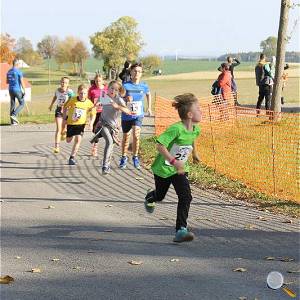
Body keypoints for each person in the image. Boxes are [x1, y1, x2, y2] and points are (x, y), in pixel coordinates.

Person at [144, 93, 201, 243]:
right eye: (198, 109)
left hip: (180, 170)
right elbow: (160, 145)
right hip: (163, 169)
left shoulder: (195, 128)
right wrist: (173, 160)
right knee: (160, 196)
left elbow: (192, 139)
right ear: (189, 114)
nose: (201, 111)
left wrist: (195, 153)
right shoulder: (175, 129)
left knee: (186, 196)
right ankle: (151, 196)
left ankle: (181, 230)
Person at [96, 80, 134, 174]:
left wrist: (118, 107)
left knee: (111, 145)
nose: (113, 91)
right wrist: (96, 105)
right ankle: (105, 166)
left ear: (118, 91)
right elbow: (97, 103)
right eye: (112, 88)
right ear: (108, 88)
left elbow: (128, 111)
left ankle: (107, 165)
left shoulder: (119, 99)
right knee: (109, 141)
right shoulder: (104, 96)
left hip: (114, 127)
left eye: (116, 90)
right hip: (104, 124)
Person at [119, 62, 152, 170]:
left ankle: (135, 157)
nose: (137, 73)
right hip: (127, 114)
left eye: (139, 71)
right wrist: (125, 99)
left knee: (136, 135)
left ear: (141, 73)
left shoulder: (144, 86)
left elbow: (148, 94)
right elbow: (119, 97)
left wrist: (149, 107)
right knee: (126, 136)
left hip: (138, 114)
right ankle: (124, 157)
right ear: (131, 72)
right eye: (135, 71)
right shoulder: (125, 85)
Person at [63, 84, 96, 165]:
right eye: (81, 93)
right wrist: (64, 117)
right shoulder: (73, 99)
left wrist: (91, 123)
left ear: (87, 94)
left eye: (84, 93)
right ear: (78, 92)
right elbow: (65, 107)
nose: (82, 95)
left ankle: (72, 157)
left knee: (78, 139)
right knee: (68, 140)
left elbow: (93, 114)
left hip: (81, 124)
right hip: (71, 123)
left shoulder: (89, 103)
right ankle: (66, 134)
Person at [48, 77, 74, 153]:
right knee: (58, 129)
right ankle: (57, 147)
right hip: (59, 110)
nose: (63, 84)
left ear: (68, 84)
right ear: (60, 82)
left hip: (67, 111)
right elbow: (55, 97)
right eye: (62, 82)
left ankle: (64, 132)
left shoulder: (70, 92)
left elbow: (72, 100)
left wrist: (66, 106)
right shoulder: (57, 90)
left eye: (65, 82)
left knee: (63, 129)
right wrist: (51, 105)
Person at [88, 74, 108, 156]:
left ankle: (108, 146)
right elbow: (89, 101)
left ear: (102, 81)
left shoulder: (106, 89)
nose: (98, 82)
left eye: (99, 80)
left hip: (105, 112)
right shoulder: (92, 89)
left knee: (107, 130)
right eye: (96, 81)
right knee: (95, 131)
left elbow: (109, 100)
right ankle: (95, 147)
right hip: (95, 112)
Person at [6, 58, 26, 125]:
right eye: (19, 64)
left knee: (12, 105)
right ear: (17, 64)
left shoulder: (9, 71)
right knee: (22, 103)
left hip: (10, 90)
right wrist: (24, 90)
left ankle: (12, 122)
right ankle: (14, 115)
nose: (20, 65)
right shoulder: (18, 71)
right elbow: (22, 82)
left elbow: (7, 82)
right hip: (17, 90)